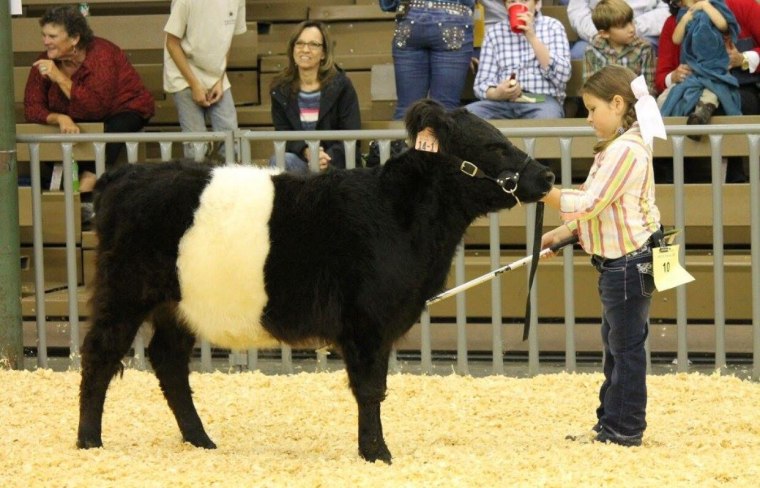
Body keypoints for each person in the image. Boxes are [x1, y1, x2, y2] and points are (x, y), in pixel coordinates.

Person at [541, 65, 666, 447]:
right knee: (618, 344)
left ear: (617, 104)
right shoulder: (621, 146)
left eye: (593, 109)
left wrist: (542, 189)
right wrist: (561, 234)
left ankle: (624, 429)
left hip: (628, 262)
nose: (589, 117)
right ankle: (610, 423)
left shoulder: (625, 150)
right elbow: (605, 210)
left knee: (624, 349)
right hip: (626, 260)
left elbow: (591, 203)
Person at [24, 5, 154, 192]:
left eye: (52, 37)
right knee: (48, 132)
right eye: (44, 35)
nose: (46, 42)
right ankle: (68, 192)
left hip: (122, 109)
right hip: (75, 115)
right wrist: (59, 118)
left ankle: (89, 182)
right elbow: (32, 107)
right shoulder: (44, 61)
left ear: (75, 38)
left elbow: (95, 108)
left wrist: (60, 78)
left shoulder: (102, 54)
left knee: (116, 128)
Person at [269, 21, 361, 173]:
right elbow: (284, 135)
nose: (305, 49)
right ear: (292, 49)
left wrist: (324, 158)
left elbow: (351, 134)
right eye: (300, 44)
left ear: (324, 53)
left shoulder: (342, 86)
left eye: (313, 44)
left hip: (335, 165)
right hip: (302, 162)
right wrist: (308, 152)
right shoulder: (280, 90)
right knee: (280, 160)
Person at [163, 0, 246, 160]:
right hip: (184, 75)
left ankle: (230, 183)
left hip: (216, 75)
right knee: (196, 149)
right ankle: (198, 184)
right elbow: (172, 44)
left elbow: (227, 40)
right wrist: (194, 85)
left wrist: (220, 78)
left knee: (232, 142)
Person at [466, 0, 571, 120]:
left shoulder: (553, 26)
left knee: (548, 116)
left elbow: (563, 75)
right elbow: (481, 84)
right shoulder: (494, 33)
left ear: (536, 3)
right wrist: (497, 93)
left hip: (541, 100)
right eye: (512, 2)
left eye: (524, 1)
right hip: (501, 103)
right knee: (465, 117)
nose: (518, 5)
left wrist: (531, 37)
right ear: (505, 6)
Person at [659, 0, 740, 133]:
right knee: (669, 97)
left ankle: (702, 112)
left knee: (714, 89)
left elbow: (723, 24)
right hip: (693, 66)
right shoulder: (684, 14)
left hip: (714, 65)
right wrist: (685, 20)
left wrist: (706, 6)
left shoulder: (713, 5)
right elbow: (676, 39)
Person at [389, 0, 475, 120]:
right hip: (454, 18)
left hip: (410, 15)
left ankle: (402, 139)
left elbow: (387, 4)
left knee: (407, 109)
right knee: (444, 109)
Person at [583, 0, 656, 94]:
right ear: (604, 33)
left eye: (631, 21)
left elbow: (648, 88)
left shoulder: (644, 49)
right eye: (623, 26)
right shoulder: (591, 51)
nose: (632, 29)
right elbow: (590, 89)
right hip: (604, 104)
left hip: (635, 104)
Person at [567, 0, 670, 60]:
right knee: (579, 53)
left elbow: (667, 9)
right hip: (599, 28)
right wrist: (598, 32)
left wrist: (629, 27)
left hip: (643, 29)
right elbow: (577, 11)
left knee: (643, 50)